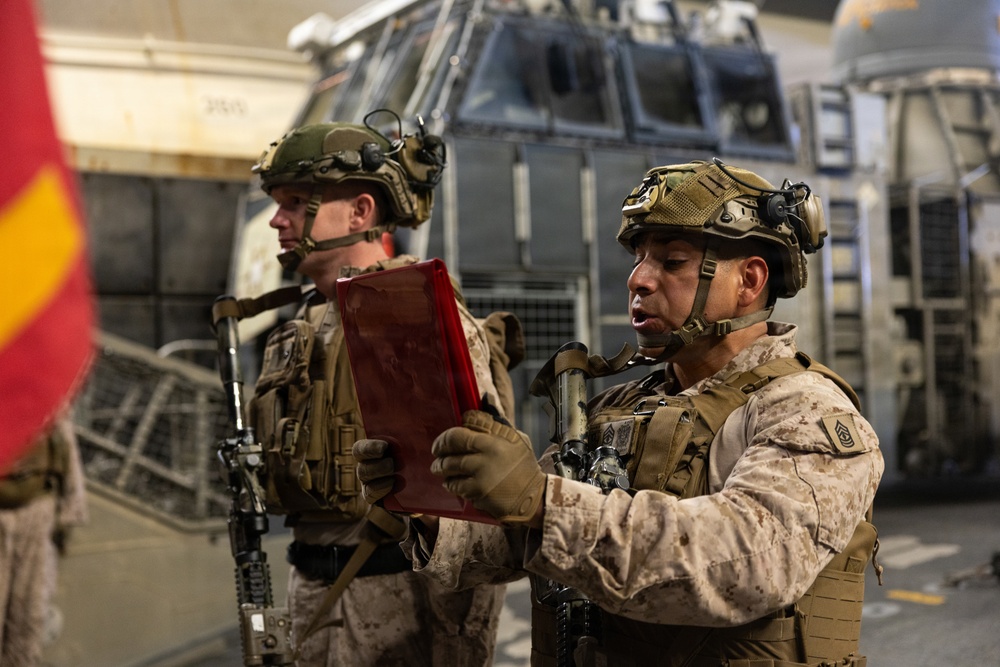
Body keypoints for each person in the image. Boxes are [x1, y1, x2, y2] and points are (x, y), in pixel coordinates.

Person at [356, 159, 885, 666]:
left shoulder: (805, 411)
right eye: (639, 259)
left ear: (748, 281)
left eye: (671, 262)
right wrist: (425, 503)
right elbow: (511, 540)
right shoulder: (615, 408)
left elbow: (751, 562)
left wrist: (542, 502)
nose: (639, 280)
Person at [246, 117, 510, 666]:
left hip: (399, 591)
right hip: (314, 581)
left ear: (361, 212)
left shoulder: (412, 315)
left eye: (295, 201)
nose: (277, 220)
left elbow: (475, 495)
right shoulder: (306, 323)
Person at [0, 413, 87, 667]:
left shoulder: (46, 400)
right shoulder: (44, 398)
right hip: (34, 509)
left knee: (27, 613)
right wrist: (71, 512)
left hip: (34, 510)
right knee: (27, 614)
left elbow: (63, 446)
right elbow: (64, 449)